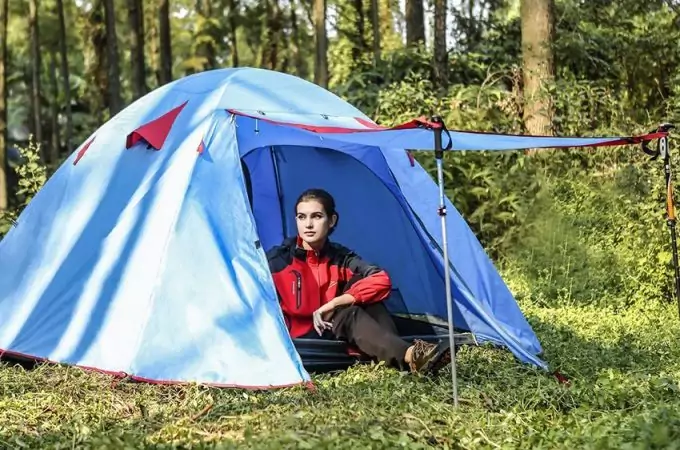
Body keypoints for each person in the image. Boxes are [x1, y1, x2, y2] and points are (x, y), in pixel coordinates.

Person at [267, 188, 451, 375]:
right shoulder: (278, 261)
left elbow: (381, 279)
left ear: (332, 221)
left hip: (336, 326)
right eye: (301, 217)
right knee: (351, 314)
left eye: (316, 216)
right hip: (303, 337)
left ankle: (407, 357)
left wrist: (335, 302)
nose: (308, 224)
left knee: (367, 297)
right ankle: (411, 356)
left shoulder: (341, 257)